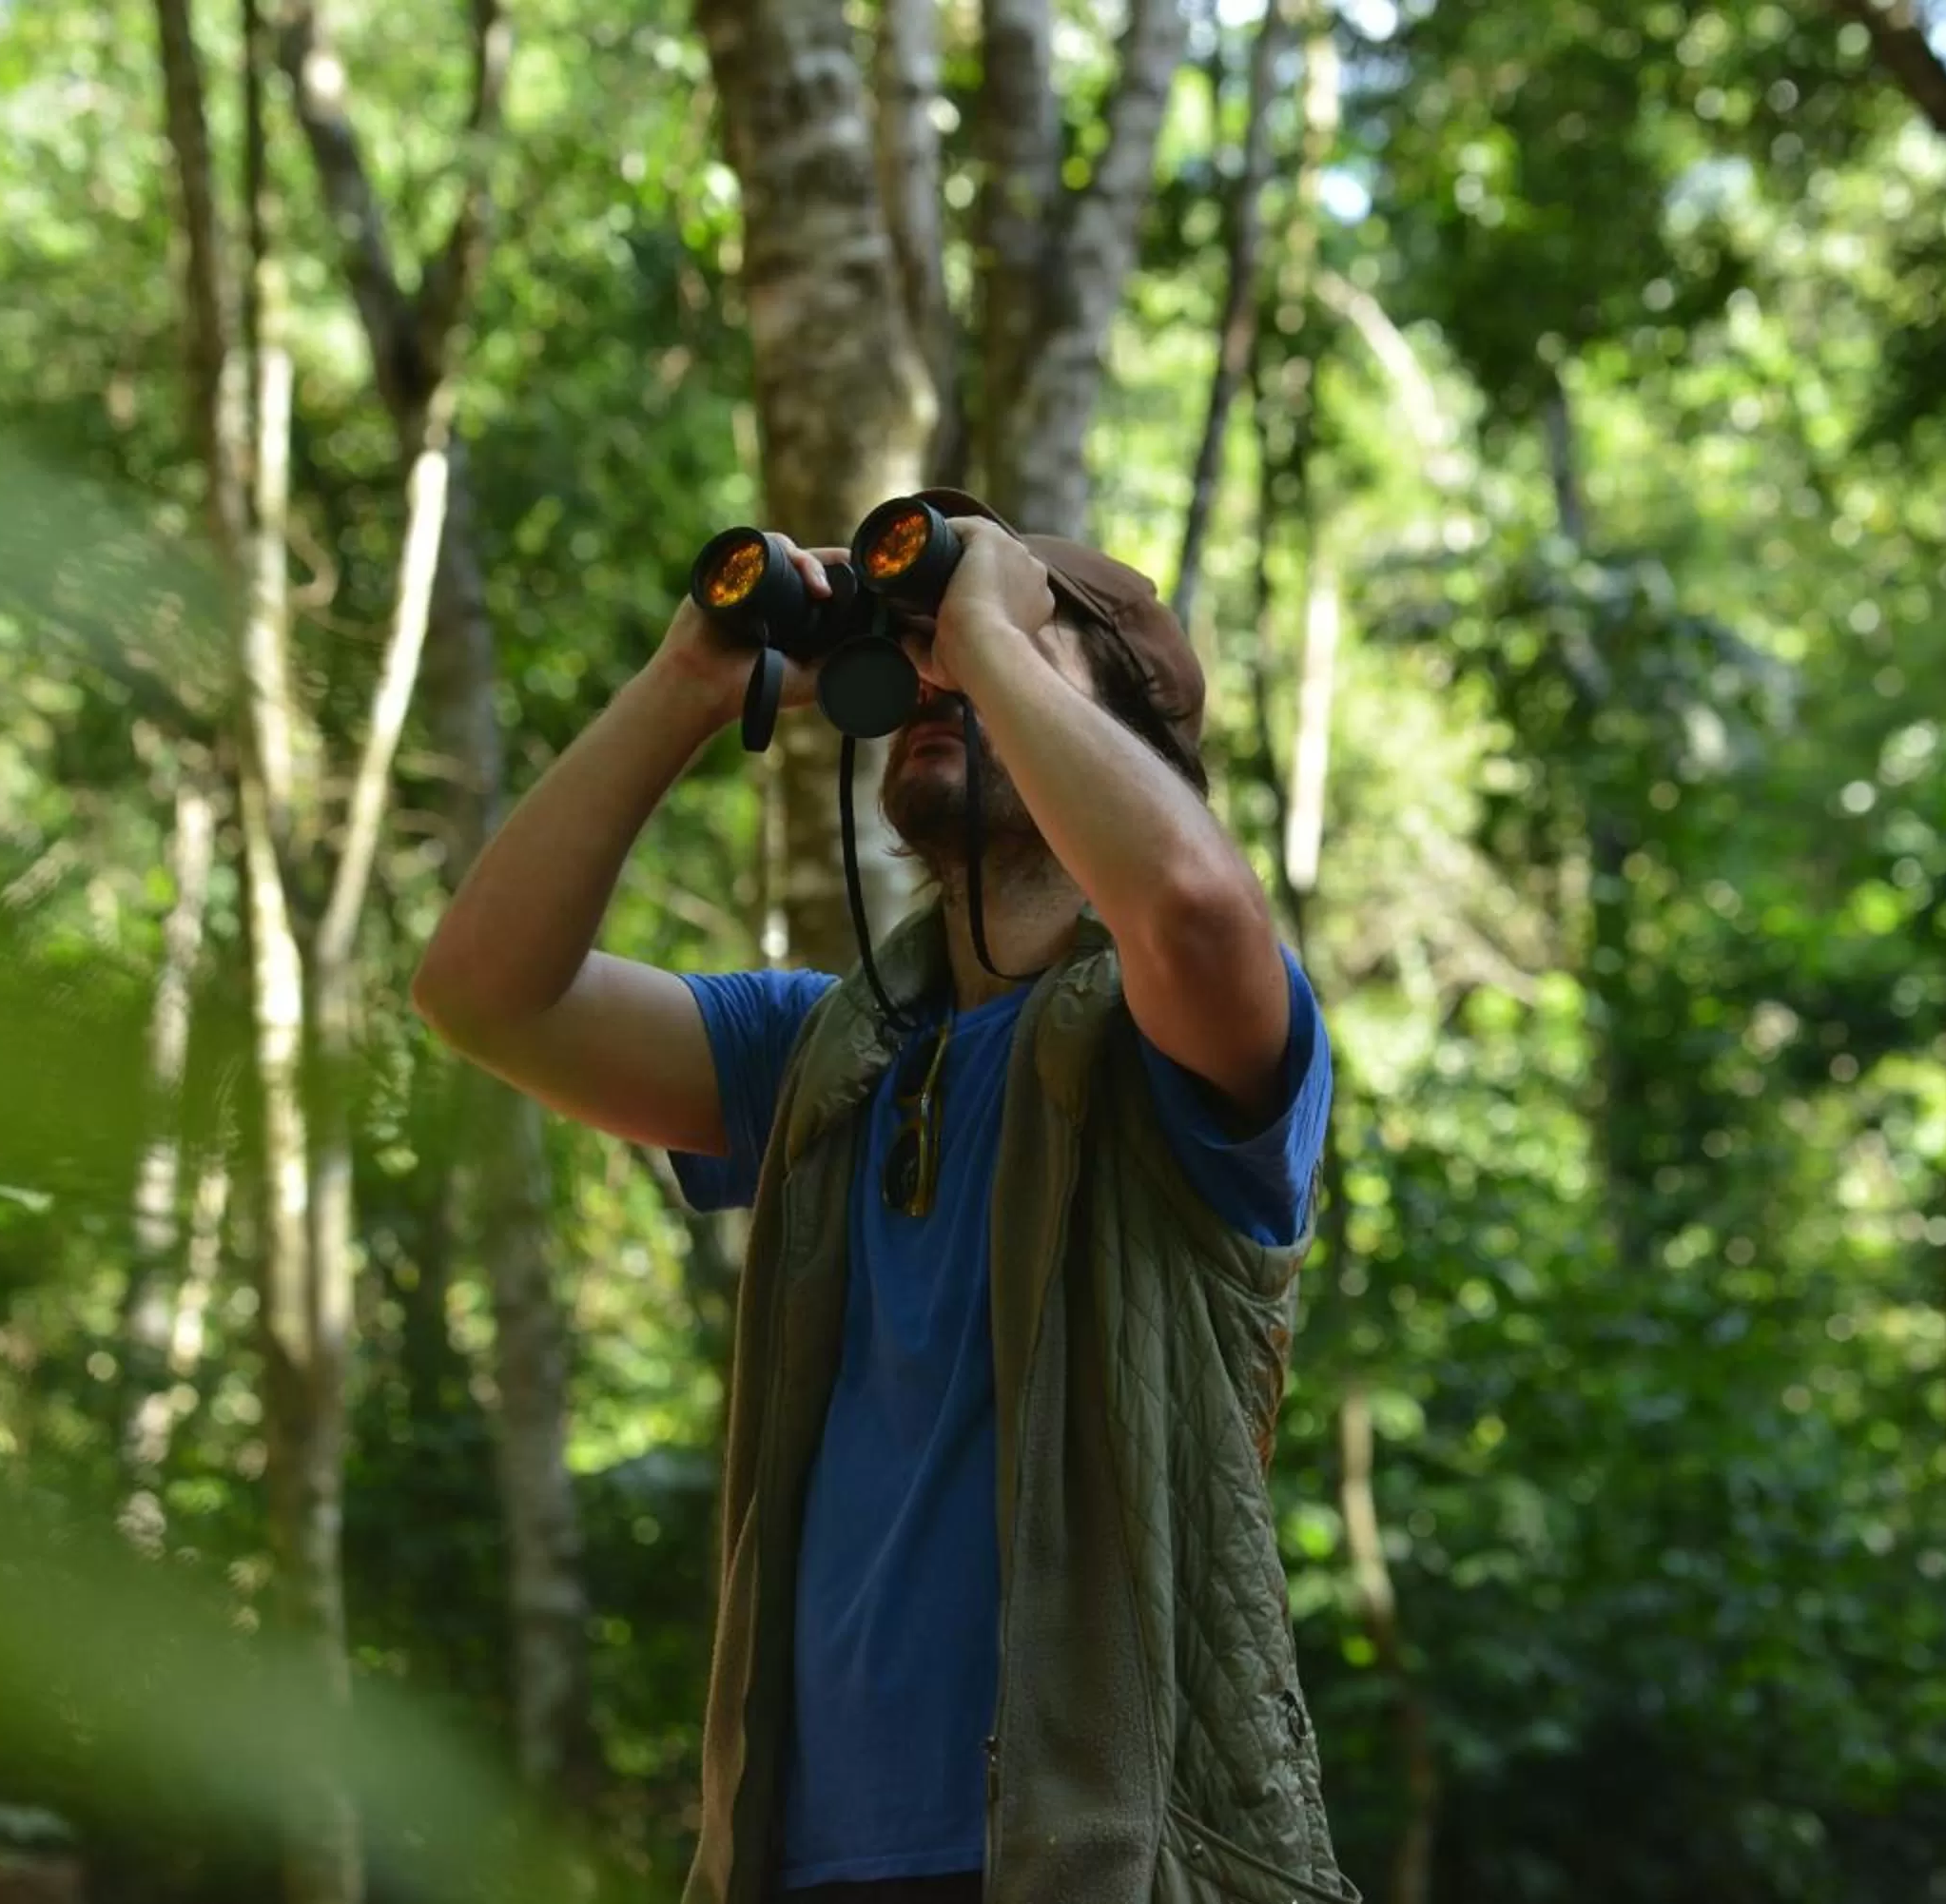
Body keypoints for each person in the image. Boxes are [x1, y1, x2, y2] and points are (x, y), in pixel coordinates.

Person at [411, 491, 1354, 1904]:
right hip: (803, 1861)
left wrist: (992, 638)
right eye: (915, 653)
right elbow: (484, 995)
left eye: (980, 643)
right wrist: (688, 684)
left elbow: (1194, 910)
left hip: (1102, 1858)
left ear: (1124, 734)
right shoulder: (826, 1053)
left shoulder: (1186, 1037)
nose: (936, 676)